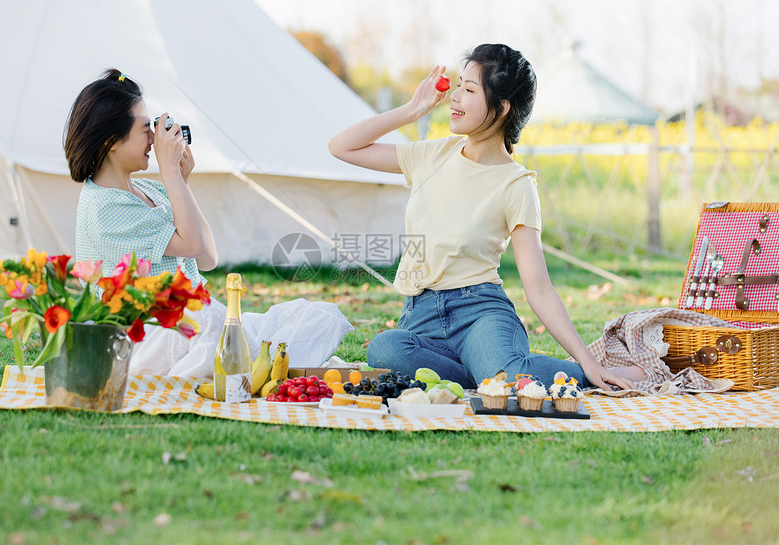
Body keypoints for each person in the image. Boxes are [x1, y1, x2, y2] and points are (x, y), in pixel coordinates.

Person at [328, 44, 645, 391]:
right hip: (421, 317)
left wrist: (587, 360)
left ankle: (559, 374)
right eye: (459, 85)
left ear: (502, 108)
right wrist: (411, 110)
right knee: (385, 349)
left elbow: (538, 288)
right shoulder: (431, 155)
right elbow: (342, 147)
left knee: (506, 379)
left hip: (480, 313)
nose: (455, 96)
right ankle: (484, 376)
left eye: (469, 90)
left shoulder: (516, 184)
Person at [65, 69, 352, 377]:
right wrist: (171, 174)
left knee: (319, 316)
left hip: (194, 322)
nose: (154, 140)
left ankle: (254, 363)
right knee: (215, 323)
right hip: (147, 334)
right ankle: (257, 365)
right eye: (146, 130)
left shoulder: (149, 189)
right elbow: (193, 244)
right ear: (112, 142)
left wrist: (181, 183)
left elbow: (207, 257)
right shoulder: (104, 207)